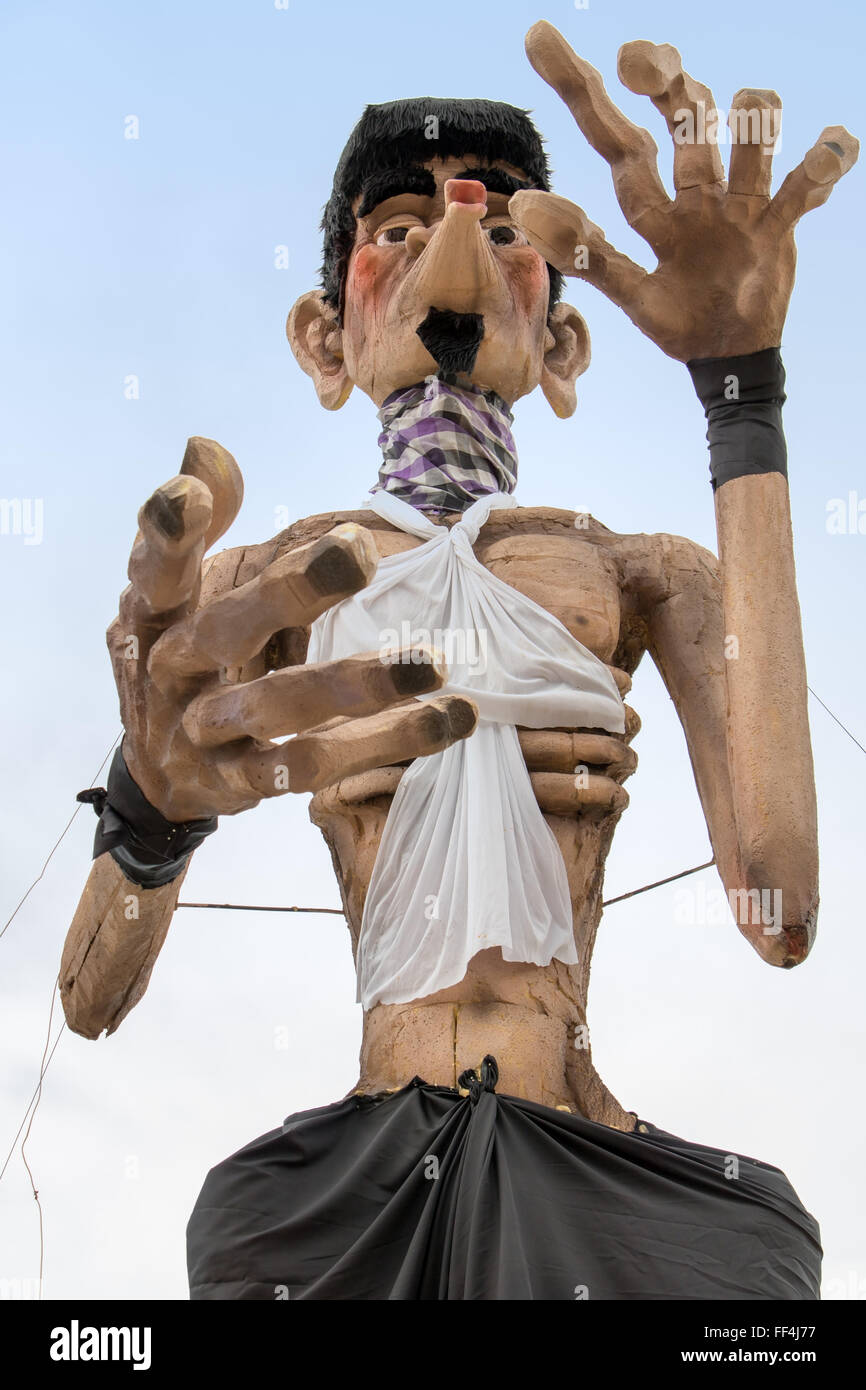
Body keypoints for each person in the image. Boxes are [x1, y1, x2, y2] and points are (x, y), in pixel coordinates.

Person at [62, 23, 855, 1299]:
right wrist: (148, 815)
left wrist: (740, 397)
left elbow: (780, 911)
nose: (455, 256)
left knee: (759, 1254)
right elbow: (92, 994)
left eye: (505, 236)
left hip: (595, 1150)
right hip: (354, 1179)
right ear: (325, 341)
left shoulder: (641, 574)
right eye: (397, 229)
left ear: (564, 347)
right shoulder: (261, 585)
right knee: (239, 1216)